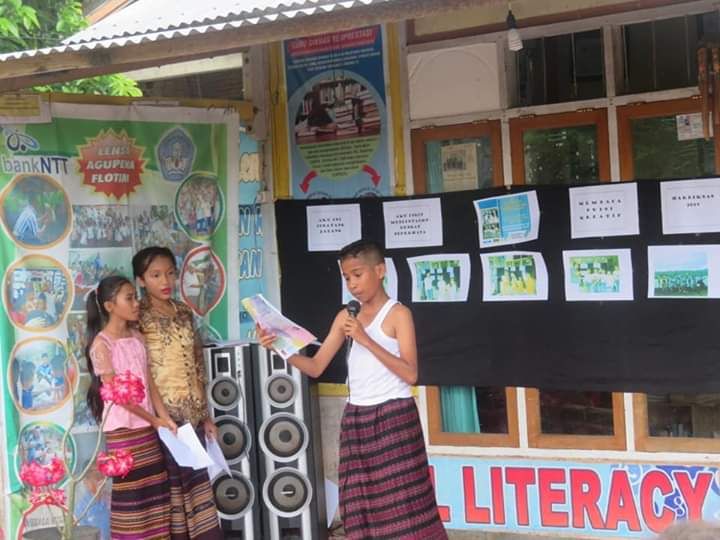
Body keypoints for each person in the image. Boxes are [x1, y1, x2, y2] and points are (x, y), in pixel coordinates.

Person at [258, 239, 448, 539]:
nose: (352, 285)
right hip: (356, 417)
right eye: (347, 278)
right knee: (360, 506)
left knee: (403, 507)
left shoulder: (398, 314)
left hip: (394, 416)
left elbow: (411, 373)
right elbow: (317, 367)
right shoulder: (345, 316)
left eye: (358, 274)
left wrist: (365, 339)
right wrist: (280, 350)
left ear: (380, 270)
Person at [132, 246, 223, 540]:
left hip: (193, 414)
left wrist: (207, 415)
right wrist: (161, 417)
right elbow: (142, 372)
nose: (165, 281)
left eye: (170, 273)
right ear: (141, 280)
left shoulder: (184, 312)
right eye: (155, 275)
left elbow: (198, 364)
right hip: (164, 419)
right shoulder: (139, 318)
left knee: (197, 488)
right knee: (172, 493)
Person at [85, 275, 175, 539]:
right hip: (124, 431)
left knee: (155, 491)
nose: (137, 303)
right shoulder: (101, 344)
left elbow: (150, 383)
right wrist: (152, 419)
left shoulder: (138, 337)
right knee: (132, 497)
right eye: (130, 298)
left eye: (135, 297)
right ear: (110, 306)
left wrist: (164, 418)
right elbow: (117, 395)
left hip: (148, 427)